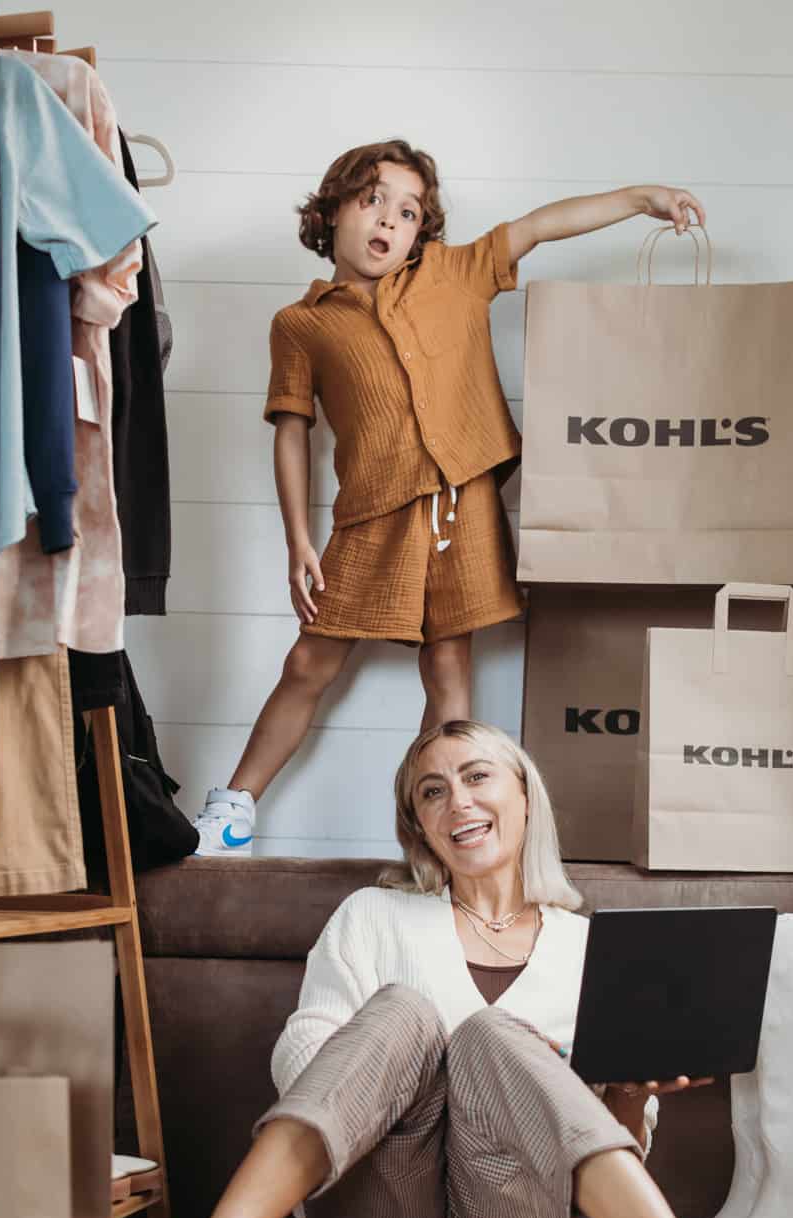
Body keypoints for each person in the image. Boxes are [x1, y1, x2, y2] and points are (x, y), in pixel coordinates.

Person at [129, 720, 755, 1218]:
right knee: (405, 1010)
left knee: (496, 1036)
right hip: (377, 1217)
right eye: (432, 791)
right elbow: (300, 1062)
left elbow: (620, 1142)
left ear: (524, 795)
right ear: (419, 826)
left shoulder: (589, 947)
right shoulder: (373, 914)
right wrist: (420, 1058)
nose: (457, 800)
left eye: (477, 776)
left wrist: (629, 1091)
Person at [192, 141, 706, 855]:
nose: (388, 220)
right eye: (371, 199)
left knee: (448, 667)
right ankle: (231, 812)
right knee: (310, 664)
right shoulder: (301, 324)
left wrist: (639, 197)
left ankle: (447, 832)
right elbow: (291, 432)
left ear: (420, 230)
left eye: (407, 211)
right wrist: (299, 542)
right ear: (332, 209)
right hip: (372, 512)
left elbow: (539, 226)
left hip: (460, 507)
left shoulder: (454, 272)